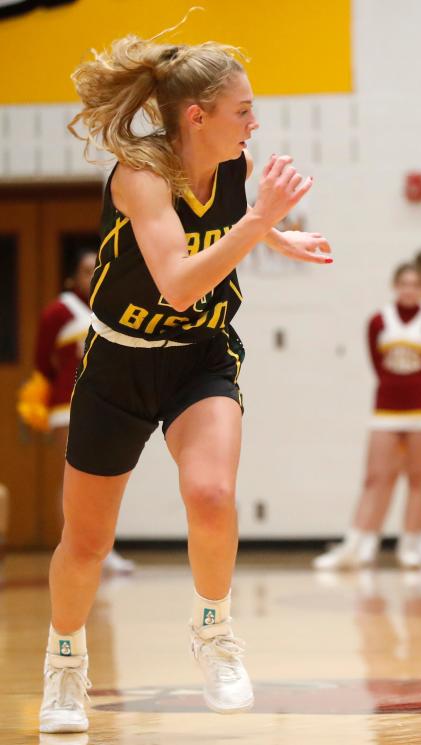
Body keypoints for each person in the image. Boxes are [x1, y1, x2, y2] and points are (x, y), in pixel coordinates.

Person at [40, 31, 331, 734]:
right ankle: (65, 659)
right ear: (196, 116)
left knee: (210, 491)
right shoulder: (139, 173)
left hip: (201, 353)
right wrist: (263, 220)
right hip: (119, 361)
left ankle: (214, 631)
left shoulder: (235, 166)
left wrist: (275, 237)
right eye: (243, 110)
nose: (253, 123)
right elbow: (174, 282)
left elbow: (224, 235)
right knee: (86, 540)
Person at [313, 264, 421, 570]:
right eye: (403, 283)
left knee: (419, 479)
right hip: (387, 409)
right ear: (394, 286)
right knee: (375, 477)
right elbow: (378, 366)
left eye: (415, 284)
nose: (409, 289)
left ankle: (411, 544)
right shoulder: (379, 321)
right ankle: (357, 544)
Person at [18, 249, 135, 573]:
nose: (92, 274)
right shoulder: (59, 311)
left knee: (107, 477)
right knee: (73, 480)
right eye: (85, 270)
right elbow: (42, 360)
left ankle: (103, 549)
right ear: (73, 277)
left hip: (107, 403)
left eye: (96, 268)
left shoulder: (112, 306)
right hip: (67, 406)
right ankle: (73, 550)